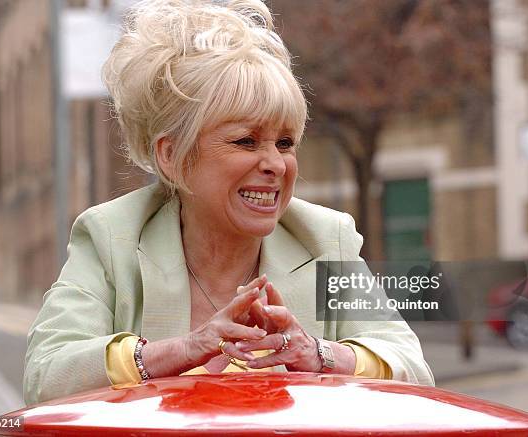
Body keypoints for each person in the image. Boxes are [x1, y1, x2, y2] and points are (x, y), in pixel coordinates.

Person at [24, 0, 434, 405]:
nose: (275, 164)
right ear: (174, 156)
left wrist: (319, 355)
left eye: (285, 143)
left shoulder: (326, 239)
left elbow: (413, 370)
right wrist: (181, 351)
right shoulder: (111, 237)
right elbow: (46, 374)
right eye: (246, 141)